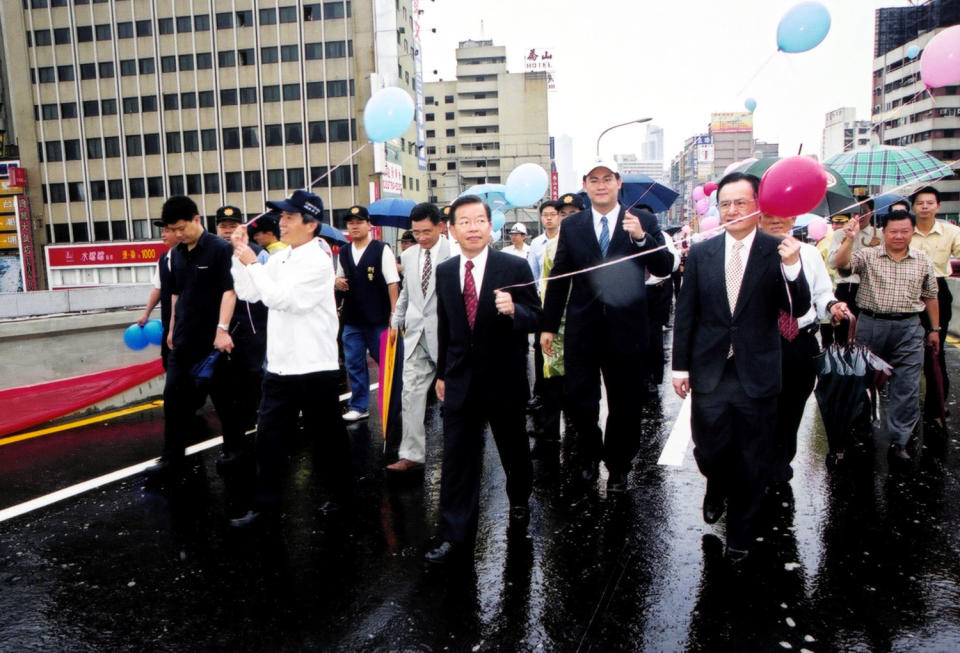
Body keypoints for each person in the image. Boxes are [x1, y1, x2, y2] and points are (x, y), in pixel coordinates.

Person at [672, 172, 810, 564]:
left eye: (741, 203)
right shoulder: (702, 253)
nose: (733, 210)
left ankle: (741, 535)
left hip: (757, 371)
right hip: (711, 370)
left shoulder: (777, 249)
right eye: (726, 204)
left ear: (758, 206)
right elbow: (686, 314)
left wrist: (793, 267)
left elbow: (797, 309)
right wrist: (679, 367)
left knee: (753, 457)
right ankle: (715, 483)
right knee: (711, 448)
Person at [541, 160, 673, 493]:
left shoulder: (641, 219)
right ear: (585, 184)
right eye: (594, 179)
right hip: (583, 327)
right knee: (580, 401)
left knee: (625, 403)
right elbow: (560, 278)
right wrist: (548, 325)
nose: (601, 185)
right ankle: (589, 454)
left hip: (626, 329)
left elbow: (665, 265)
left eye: (607, 179)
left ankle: (618, 466)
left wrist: (641, 239)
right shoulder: (573, 226)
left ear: (618, 183)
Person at [424, 195, 541, 565]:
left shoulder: (513, 266)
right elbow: (446, 326)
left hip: (503, 378)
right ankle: (455, 536)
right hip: (460, 379)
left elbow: (537, 314)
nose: (473, 227)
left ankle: (519, 499)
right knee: (458, 459)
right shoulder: (445, 272)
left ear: (492, 226)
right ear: (452, 228)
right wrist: (442, 372)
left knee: (513, 449)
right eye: (465, 221)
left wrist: (516, 310)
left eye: (479, 220)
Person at [228, 190, 353, 527]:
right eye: (281, 217)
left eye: (289, 217)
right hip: (281, 366)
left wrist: (253, 264)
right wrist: (239, 256)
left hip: (315, 366)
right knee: (268, 438)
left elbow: (283, 299)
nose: (281, 223)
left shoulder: (317, 260)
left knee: (327, 439)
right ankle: (265, 506)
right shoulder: (281, 257)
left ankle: (341, 495)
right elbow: (250, 292)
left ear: (311, 225)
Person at [833, 209, 939, 460]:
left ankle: (899, 440)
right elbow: (843, 266)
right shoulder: (868, 255)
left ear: (912, 232)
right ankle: (858, 433)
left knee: (907, 386)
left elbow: (930, 295)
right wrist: (849, 239)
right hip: (871, 325)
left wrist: (934, 329)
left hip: (909, 328)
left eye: (905, 231)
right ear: (883, 231)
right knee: (862, 382)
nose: (899, 236)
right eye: (893, 231)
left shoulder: (923, 259)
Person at [148, 196, 236, 483]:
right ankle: (172, 457)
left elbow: (229, 291)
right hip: (184, 341)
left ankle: (235, 452)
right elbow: (175, 294)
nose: (177, 234)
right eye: (173, 229)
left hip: (213, 342)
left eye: (181, 228)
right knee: (173, 399)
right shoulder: (178, 254)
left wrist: (222, 330)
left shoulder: (220, 249)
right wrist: (172, 328)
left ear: (197, 220)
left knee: (224, 400)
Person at [759, 212, 849, 482]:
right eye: (768, 214)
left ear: (794, 216)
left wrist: (832, 306)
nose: (776, 219)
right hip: (761, 342)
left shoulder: (809, 253)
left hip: (800, 342)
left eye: (783, 214)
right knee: (758, 406)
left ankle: (781, 462)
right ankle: (757, 461)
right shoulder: (751, 253)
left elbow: (822, 293)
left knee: (792, 406)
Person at [387, 203, 451, 473]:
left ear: (440, 226)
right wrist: (395, 320)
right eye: (416, 233)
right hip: (415, 334)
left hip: (448, 336)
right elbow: (406, 291)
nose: (422, 238)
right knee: (410, 393)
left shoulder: (455, 252)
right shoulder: (410, 255)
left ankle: (461, 453)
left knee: (455, 397)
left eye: (427, 231)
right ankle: (412, 454)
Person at [212, 205, 269, 468]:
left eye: (232, 225)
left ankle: (258, 427)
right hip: (222, 330)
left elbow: (267, 290)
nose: (227, 230)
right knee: (227, 387)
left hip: (253, 328)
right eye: (223, 225)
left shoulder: (256, 253)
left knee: (253, 378)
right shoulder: (212, 254)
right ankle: (234, 443)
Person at [335, 205, 400, 421]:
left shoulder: (382, 249)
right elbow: (339, 277)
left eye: (359, 222)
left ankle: (394, 403)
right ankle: (360, 405)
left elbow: (392, 283)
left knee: (386, 363)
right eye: (351, 222)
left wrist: (394, 313)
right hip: (352, 319)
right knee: (354, 362)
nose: (354, 226)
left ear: (368, 225)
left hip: (378, 318)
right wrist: (338, 282)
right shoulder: (344, 251)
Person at [909, 186, 959, 428]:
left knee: (936, 350)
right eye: (920, 203)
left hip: (939, 292)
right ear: (914, 207)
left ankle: (936, 405)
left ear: (938, 206)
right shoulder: (905, 231)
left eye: (930, 202)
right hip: (907, 291)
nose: (925, 207)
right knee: (907, 350)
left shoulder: (951, 231)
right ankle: (907, 407)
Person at [827, 198, 883, 344]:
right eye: (855, 212)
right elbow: (832, 263)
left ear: (872, 212)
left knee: (867, 336)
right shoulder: (840, 234)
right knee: (843, 335)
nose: (859, 216)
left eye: (864, 212)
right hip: (845, 289)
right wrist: (847, 240)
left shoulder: (879, 235)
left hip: (870, 289)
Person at [639, 204, 680, 394]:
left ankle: (653, 378)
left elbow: (673, 264)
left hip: (656, 291)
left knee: (653, 335)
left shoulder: (662, 237)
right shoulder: (628, 236)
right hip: (634, 293)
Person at [137, 221, 178, 368]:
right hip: (168, 324)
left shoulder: (190, 258)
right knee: (169, 365)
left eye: (168, 230)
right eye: (163, 230)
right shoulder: (163, 259)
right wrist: (146, 313)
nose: (163, 234)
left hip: (186, 325)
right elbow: (158, 288)